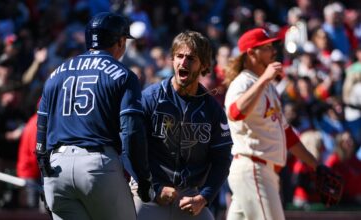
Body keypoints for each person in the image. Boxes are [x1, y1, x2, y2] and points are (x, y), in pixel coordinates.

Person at [35, 12, 153, 220]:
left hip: (56, 168)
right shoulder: (123, 74)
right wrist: (142, 178)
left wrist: (45, 177)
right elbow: (131, 131)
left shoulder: (56, 73)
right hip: (97, 166)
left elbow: (41, 132)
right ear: (119, 41)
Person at [223, 28, 324, 220]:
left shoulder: (268, 86)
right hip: (252, 167)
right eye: (266, 47)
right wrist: (264, 80)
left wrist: (315, 165)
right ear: (251, 53)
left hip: (263, 171)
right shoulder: (243, 82)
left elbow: (287, 133)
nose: (273, 51)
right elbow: (235, 113)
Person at [133, 30, 233, 220]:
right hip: (148, 192)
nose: (183, 62)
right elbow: (131, 147)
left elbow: (222, 158)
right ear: (172, 59)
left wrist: (204, 197)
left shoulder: (212, 109)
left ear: (204, 65)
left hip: (189, 196)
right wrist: (154, 187)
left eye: (191, 58)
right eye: (179, 56)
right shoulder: (150, 99)